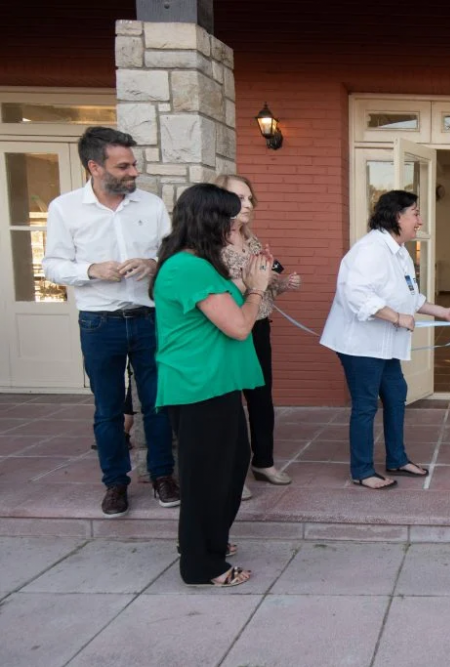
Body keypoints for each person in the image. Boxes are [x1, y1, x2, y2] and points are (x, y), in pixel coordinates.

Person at [42, 126, 178, 517]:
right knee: (108, 409)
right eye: (124, 166)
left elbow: (170, 252)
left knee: (157, 404)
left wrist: (154, 263)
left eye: (134, 164)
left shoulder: (150, 205)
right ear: (95, 167)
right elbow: (52, 265)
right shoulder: (65, 208)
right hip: (99, 323)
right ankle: (115, 483)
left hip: (149, 318)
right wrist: (91, 269)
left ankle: (162, 476)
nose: (134, 172)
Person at [152, 183, 273, 588]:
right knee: (208, 476)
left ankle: (209, 541)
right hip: (198, 385)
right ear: (210, 221)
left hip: (215, 383)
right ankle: (201, 564)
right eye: (229, 217)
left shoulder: (201, 264)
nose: (235, 224)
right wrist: (257, 287)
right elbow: (239, 326)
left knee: (232, 463)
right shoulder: (188, 267)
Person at [320, 190, 450, 490]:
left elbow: (409, 295)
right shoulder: (371, 249)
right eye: (415, 213)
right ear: (396, 216)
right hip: (360, 345)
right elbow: (356, 294)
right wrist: (397, 318)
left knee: (397, 395)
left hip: (384, 345)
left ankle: (397, 458)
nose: (420, 220)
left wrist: (442, 312)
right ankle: (362, 471)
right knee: (365, 405)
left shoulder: (398, 251)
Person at [217, 174, 301, 493]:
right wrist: (254, 283)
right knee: (229, 405)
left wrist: (282, 283)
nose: (248, 204)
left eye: (250, 198)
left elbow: (266, 282)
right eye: (240, 197)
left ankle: (263, 462)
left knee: (261, 399)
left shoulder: (251, 240)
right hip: (227, 329)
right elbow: (219, 291)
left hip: (259, 327)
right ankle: (234, 472)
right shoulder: (208, 244)